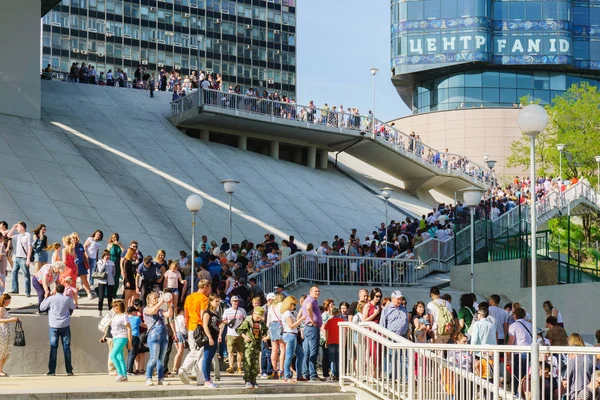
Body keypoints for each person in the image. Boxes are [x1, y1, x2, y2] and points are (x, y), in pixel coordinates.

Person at [178, 279, 211, 385]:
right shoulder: (204, 299)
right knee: (199, 353)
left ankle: (200, 378)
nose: (210, 290)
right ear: (205, 287)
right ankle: (185, 369)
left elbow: (185, 315)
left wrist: (187, 328)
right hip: (200, 328)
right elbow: (203, 314)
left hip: (191, 328)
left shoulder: (189, 297)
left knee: (195, 351)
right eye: (209, 287)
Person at [39, 283, 76, 376]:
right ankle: (69, 370)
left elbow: (41, 308)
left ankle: (52, 371)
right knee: (67, 348)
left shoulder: (51, 299)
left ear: (55, 290)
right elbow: (73, 307)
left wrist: (45, 297)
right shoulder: (67, 299)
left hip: (53, 325)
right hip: (65, 325)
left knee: (53, 348)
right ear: (63, 290)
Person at [236, 306, 268, 388]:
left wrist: (265, 336)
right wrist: (245, 337)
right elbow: (238, 330)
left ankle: (254, 380)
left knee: (255, 364)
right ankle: (247, 380)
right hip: (248, 346)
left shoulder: (261, 322)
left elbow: (265, 330)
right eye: (257, 317)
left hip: (257, 345)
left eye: (260, 317)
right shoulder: (247, 321)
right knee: (248, 363)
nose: (259, 318)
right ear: (253, 313)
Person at [508, 307, 533, 395]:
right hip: (529, 351)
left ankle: (516, 393)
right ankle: (524, 393)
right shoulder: (530, 325)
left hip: (518, 352)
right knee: (525, 374)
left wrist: (507, 356)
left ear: (515, 315)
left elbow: (511, 340)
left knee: (517, 374)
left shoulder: (513, 326)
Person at [301, 285, 324, 381]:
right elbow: (308, 307)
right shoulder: (310, 300)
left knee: (307, 352)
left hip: (308, 327)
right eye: (315, 291)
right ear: (310, 292)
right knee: (313, 352)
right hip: (312, 328)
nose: (317, 293)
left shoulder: (307, 299)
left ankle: (306, 373)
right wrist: (311, 319)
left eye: (318, 291)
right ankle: (312, 374)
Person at [281, 295, 305, 383]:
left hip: (292, 335)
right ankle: (287, 376)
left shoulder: (289, 313)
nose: (294, 307)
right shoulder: (287, 313)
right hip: (290, 335)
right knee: (289, 356)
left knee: (301, 355)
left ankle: (299, 375)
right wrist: (301, 319)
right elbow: (291, 326)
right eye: (293, 304)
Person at [221, 295, 247, 374]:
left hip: (240, 334)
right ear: (231, 302)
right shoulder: (227, 311)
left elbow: (245, 320)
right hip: (230, 333)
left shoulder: (242, 310)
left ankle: (239, 367)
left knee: (240, 351)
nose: (236, 302)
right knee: (230, 351)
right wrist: (229, 322)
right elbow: (223, 320)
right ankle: (231, 366)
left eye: (237, 301)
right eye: (234, 301)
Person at [201, 295, 222, 388]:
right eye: (216, 301)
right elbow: (205, 325)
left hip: (215, 337)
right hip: (209, 338)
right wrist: (209, 337)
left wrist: (223, 323)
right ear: (211, 302)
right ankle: (207, 380)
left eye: (218, 302)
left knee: (209, 359)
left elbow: (216, 325)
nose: (218, 303)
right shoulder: (207, 312)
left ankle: (208, 379)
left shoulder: (216, 313)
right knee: (206, 358)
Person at [6, 222, 32, 297]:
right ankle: (15, 289)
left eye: (18, 226)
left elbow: (30, 247)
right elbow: (9, 235)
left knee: (26, 275)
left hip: (24, 258)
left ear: (22, 227)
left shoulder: (27, 235)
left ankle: (27, 292)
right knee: (14, 272)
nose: (17, 228)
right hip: (17, 257)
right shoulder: (19, 235)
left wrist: (28, 259)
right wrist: (14, 227)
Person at [565, 333, 594, 400]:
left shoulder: (572, 362)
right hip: (588, 392)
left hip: (575, 394)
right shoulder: (588, 360)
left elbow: (566, 381)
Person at [109, 300, 132, 382]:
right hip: (115, 337)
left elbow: (129, 328)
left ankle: (120, 373)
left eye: (116, 306)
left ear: (120, 307)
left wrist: (130, 341)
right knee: (119, 357)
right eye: (113, 306)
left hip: (122, 337)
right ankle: (124, 375)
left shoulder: (124, 316)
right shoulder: (114, 315)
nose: (114, 308)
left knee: (112, 355)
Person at [267, 293, 286, 379]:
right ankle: (281, 370)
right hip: (280, 325)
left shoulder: (271, 307)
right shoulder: (283, 306)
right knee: (282, 349)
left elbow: (268, 321)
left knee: (274, 350)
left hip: (272, 325)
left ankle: (274, 370)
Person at [323, 306, 344, 380]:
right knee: (338, 358)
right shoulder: (342, 320)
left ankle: (334, 374)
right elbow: (344, 332)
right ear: (339, 312)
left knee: (332, 359)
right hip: (339, 341)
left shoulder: (329, 321)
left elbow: (327, 332)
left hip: (331, 341)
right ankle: (339, 374)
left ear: (332, 313)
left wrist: (326, 341)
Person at [0, 294, 19, 376]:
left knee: (6, 352)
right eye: (8, 301)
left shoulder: (4, 309)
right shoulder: (1, 309)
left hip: (7, 333)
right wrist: (11, 320)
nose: (9, 302)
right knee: (2, 351)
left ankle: (1, 369)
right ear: (4, 300)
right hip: (3, 333)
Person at [96, 249, 116, 317]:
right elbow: (100, 270)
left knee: (110, 297)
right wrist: (104, 263)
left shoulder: (112, 262)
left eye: (109, 255)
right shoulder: (100, 261)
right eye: (106, 255)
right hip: (102, 281)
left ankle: (110, 311)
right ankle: (100, 310)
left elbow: (114, 273)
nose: (108, 256)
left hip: (110, 281)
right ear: (103, 255)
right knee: (101, 297)